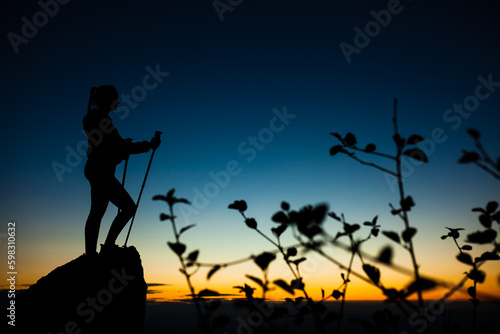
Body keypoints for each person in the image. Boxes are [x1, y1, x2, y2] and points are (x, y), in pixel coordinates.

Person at [83, 85, 160, 256]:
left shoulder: (93, 118)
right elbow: (118, 146)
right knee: (128, 208)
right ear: (107, 100)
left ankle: (92, 254)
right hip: (102, 171)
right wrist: (148, 145)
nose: (118, 101)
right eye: (115, 98)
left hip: (97, 169)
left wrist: (122, 147)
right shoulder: (101, 120)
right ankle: (107, 247)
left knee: (97, 211)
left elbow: (113, 145)